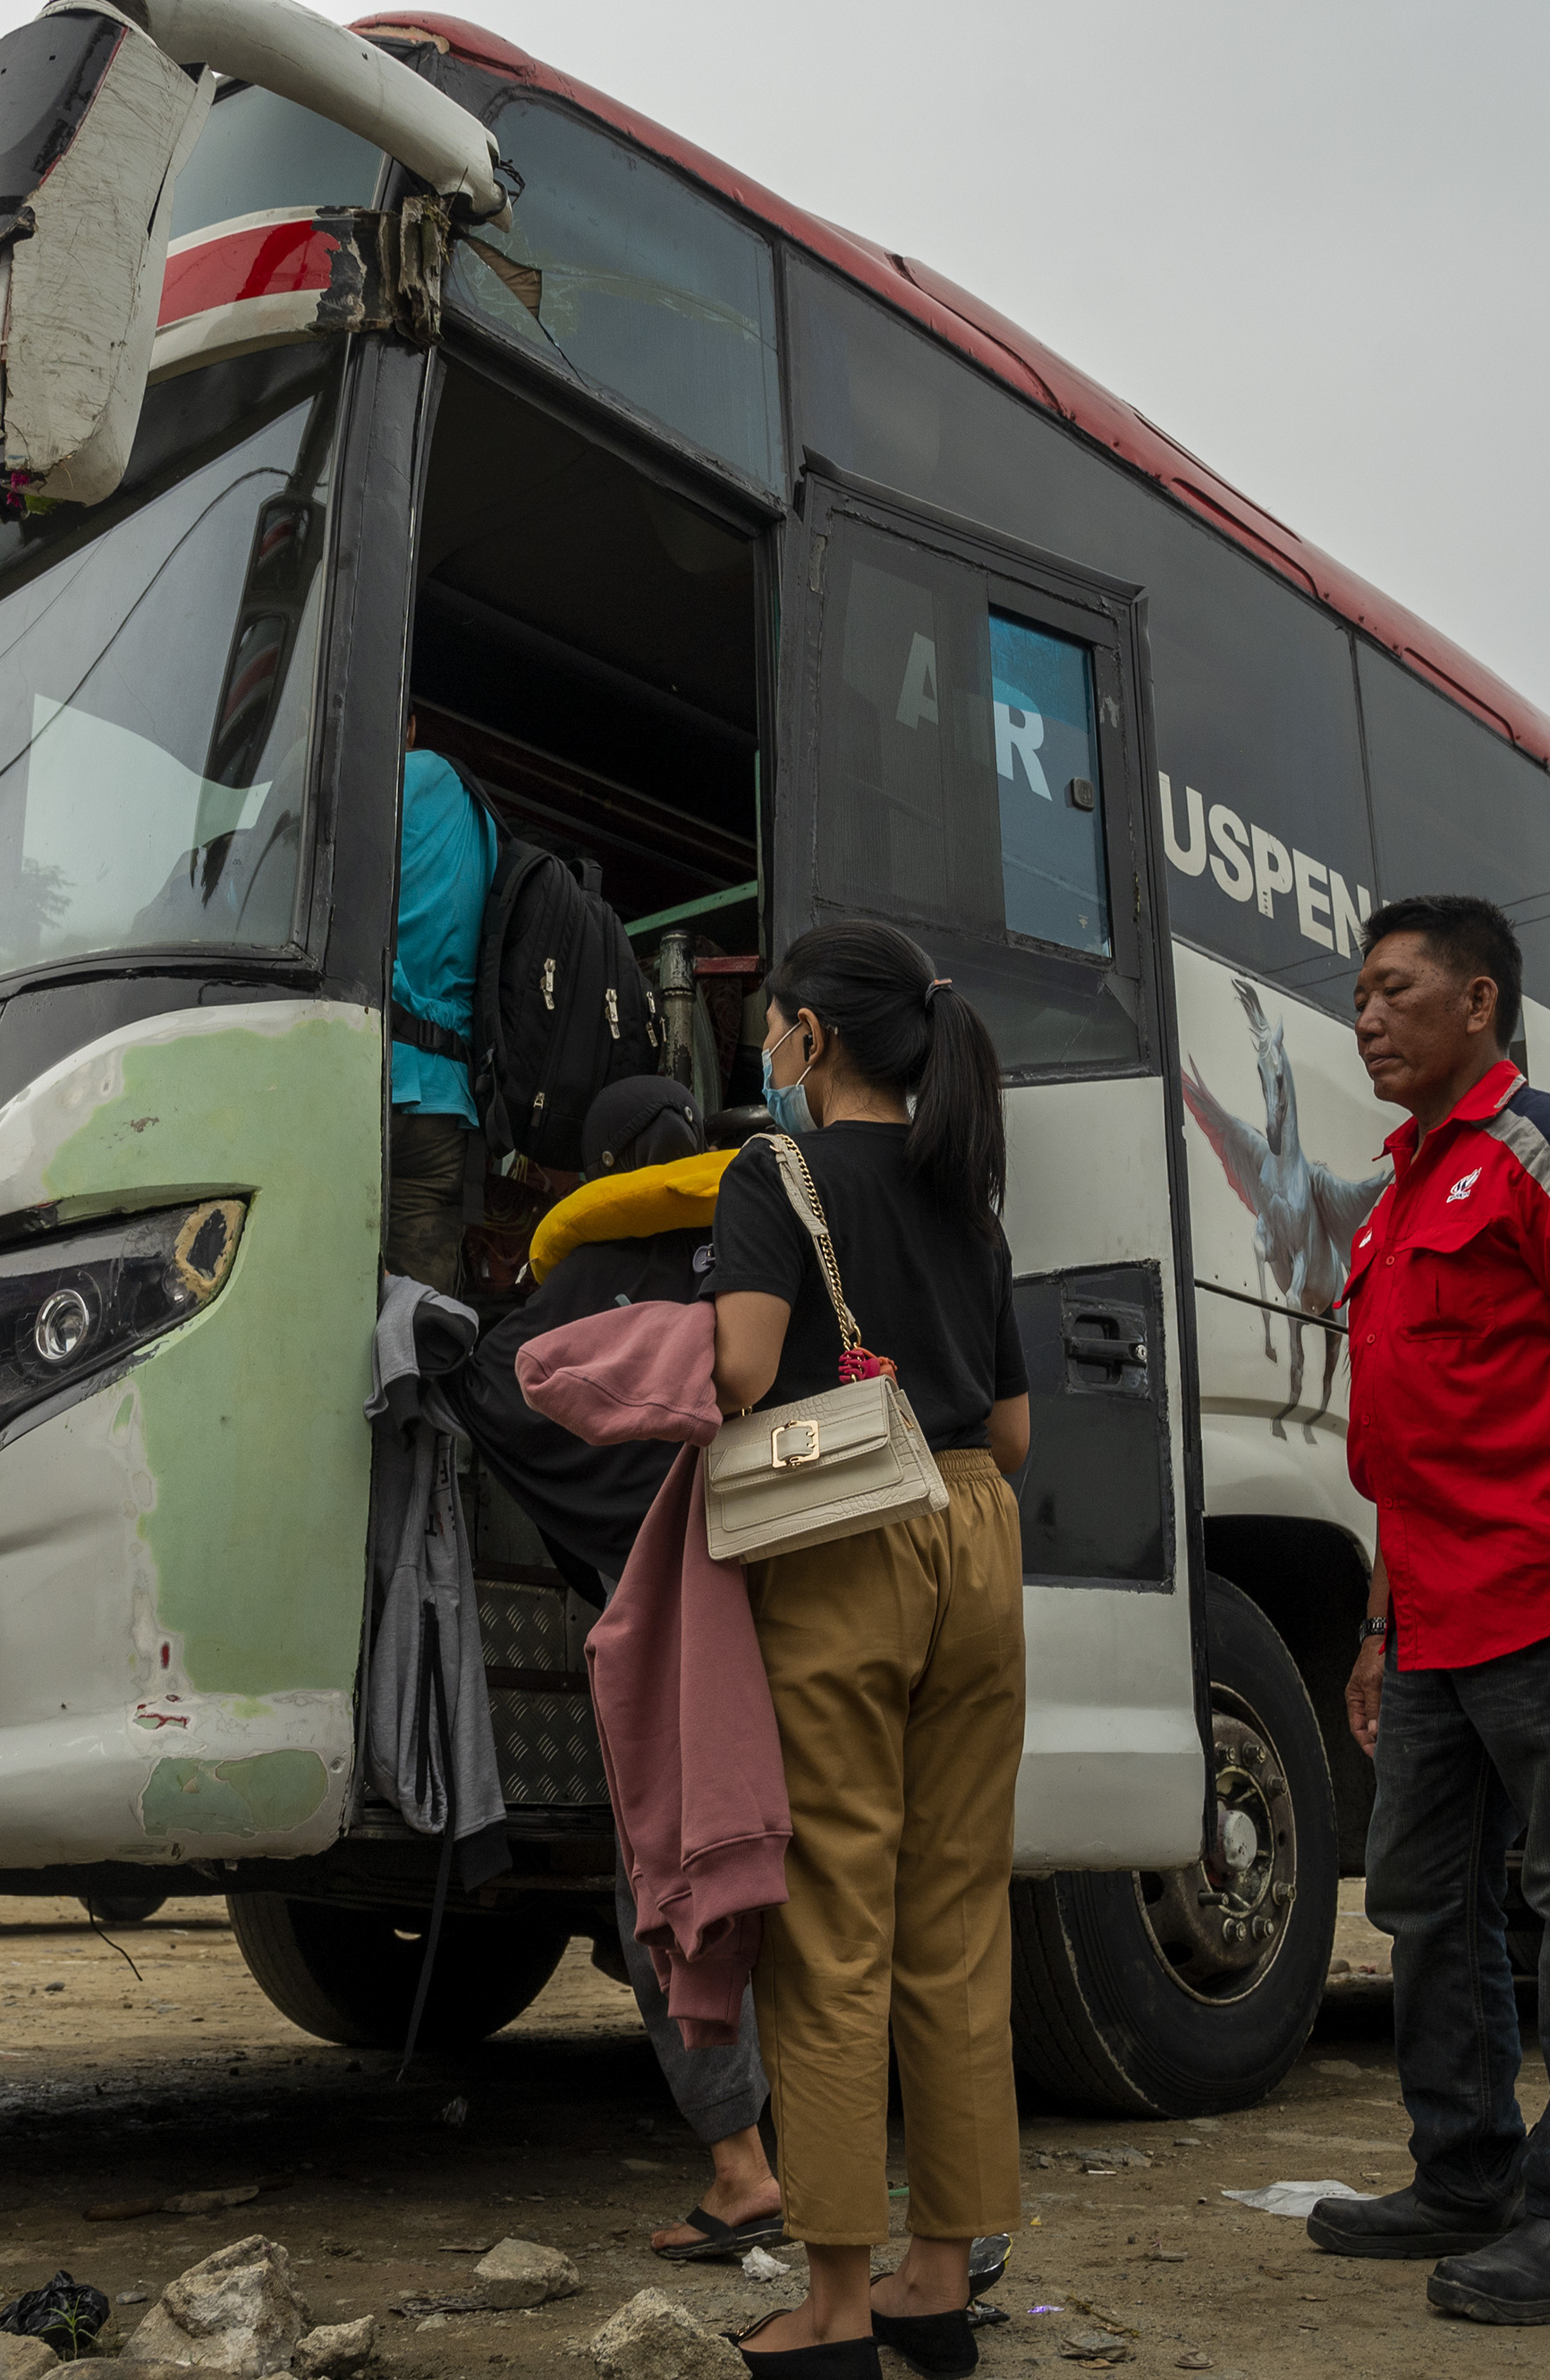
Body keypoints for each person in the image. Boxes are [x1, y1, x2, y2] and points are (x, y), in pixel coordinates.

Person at [1310, 893, 1550, 2325]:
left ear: (1479, 1002)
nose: (1367, 1019)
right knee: (1421, 1905)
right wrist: (1377, 1627)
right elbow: (1405, 1443)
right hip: (1431, 1624)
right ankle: (1467, 2171)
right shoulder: (1401, 1186)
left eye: (1396, 991)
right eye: (1358, 995)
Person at [703, 920, 1029, 2380]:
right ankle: (934, 2278)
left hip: (850, 1533)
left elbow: (740, 1369)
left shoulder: (774, 1172)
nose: (767, 1050)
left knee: (834, 1921)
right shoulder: (968, 1194)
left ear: (812, 1035)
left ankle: (832, 2305)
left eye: (772, 1025)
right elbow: (1013, 1428)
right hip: (977, 1527)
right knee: (955, 1918)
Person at [454, 1074, 783, 2262]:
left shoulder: (577, 1284)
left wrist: (609, 1534)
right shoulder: (768, 1243)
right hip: (808, 1609)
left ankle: (743, 2169)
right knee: (814, 1872)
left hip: (675, 1647)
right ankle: (844, 2162)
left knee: (672, 1888)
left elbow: (493, 1387)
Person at [385, 724, 497, 1293]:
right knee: (421, 1312)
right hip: (447, 1107)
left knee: (322, 1293)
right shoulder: (486, 822)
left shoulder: (379, 786)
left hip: (369, 1079)